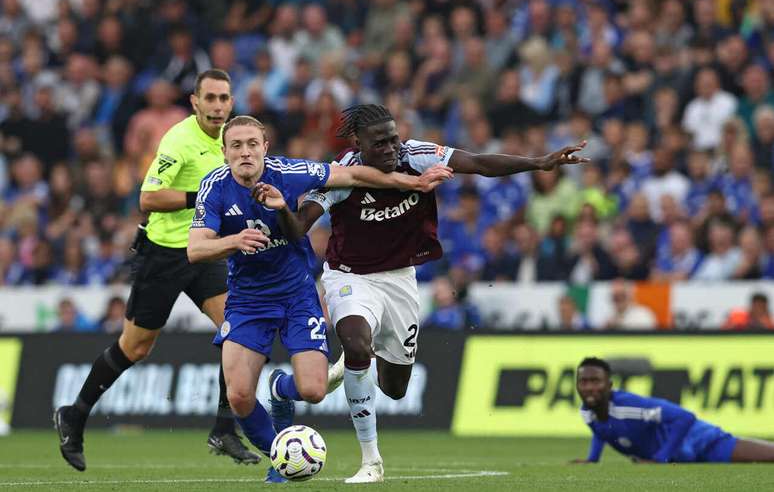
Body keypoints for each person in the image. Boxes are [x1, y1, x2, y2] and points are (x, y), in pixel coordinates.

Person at [272, 104, 588, 483]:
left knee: (395, 389)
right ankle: (371, 460)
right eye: (381, 143)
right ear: (359, 144)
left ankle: (346, 369)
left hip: (401, 280)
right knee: (357, 344)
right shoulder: (341, 175)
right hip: (349, 277)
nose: (391, 148)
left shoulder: (417, 155)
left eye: (394, 139)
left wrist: (540, 163)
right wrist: (278, 209)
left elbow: (479, 163)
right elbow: (300, 225)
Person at [188, 115, 451, 483]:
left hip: (297, 295)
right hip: (248, 300)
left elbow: (356, 175)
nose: (244, 152)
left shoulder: (292, 172)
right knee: (240, 397)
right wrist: (235, 241)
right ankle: (281, 455)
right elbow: (195, 250)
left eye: (251, 144)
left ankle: (281, 388)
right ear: (224, 152)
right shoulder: (214, 186)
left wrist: (414, 182)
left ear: (265, 147)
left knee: (312, 390)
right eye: (236, 146)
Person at [54, 70, 259, 471]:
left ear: (232, 103)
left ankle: (224, 428)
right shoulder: (179, 140)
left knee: (240, 330)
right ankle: (74, 414)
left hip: (206, 251)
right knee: (136, 347)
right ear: (195, 102)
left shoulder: (234, 140)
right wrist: (202, 194)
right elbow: (148, 198)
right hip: (165, 253)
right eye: (211, 99)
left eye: (224, 99)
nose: (218, 106)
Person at [574, 357, 774, 463]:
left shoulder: (630, 408)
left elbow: (684, 418)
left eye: (595, 381)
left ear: (609, 385)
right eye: (583, 382)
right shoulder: (587, 412)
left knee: (766, 457)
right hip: (682, 458)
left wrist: (661, 458)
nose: (589, 387)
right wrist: (593, 459)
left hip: (700, 441)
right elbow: (601, 429)